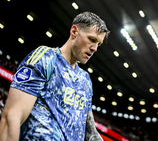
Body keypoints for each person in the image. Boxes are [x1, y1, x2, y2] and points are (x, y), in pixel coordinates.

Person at [0, 11, 110, 141]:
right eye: (92, 40)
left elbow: (90, 133)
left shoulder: (85, 80)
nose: (95, 48)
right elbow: (12, 116)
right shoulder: (45, 57)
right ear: (74, 31)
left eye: (99, 43)